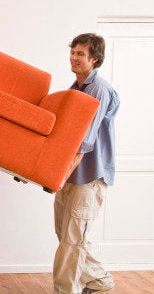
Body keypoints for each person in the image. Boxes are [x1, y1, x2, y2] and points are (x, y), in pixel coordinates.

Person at [53, 33, 120, 294]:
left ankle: (64, 290)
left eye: (81, 53)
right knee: (67, 237)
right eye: (73, 51)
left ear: (95, 59)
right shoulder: (75, 89)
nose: (74, 57)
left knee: (72, 241)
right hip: (71, 174)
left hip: (89, 175)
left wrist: (59, 174)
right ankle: (100, 282)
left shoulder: (98, 90)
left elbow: (84, 139)